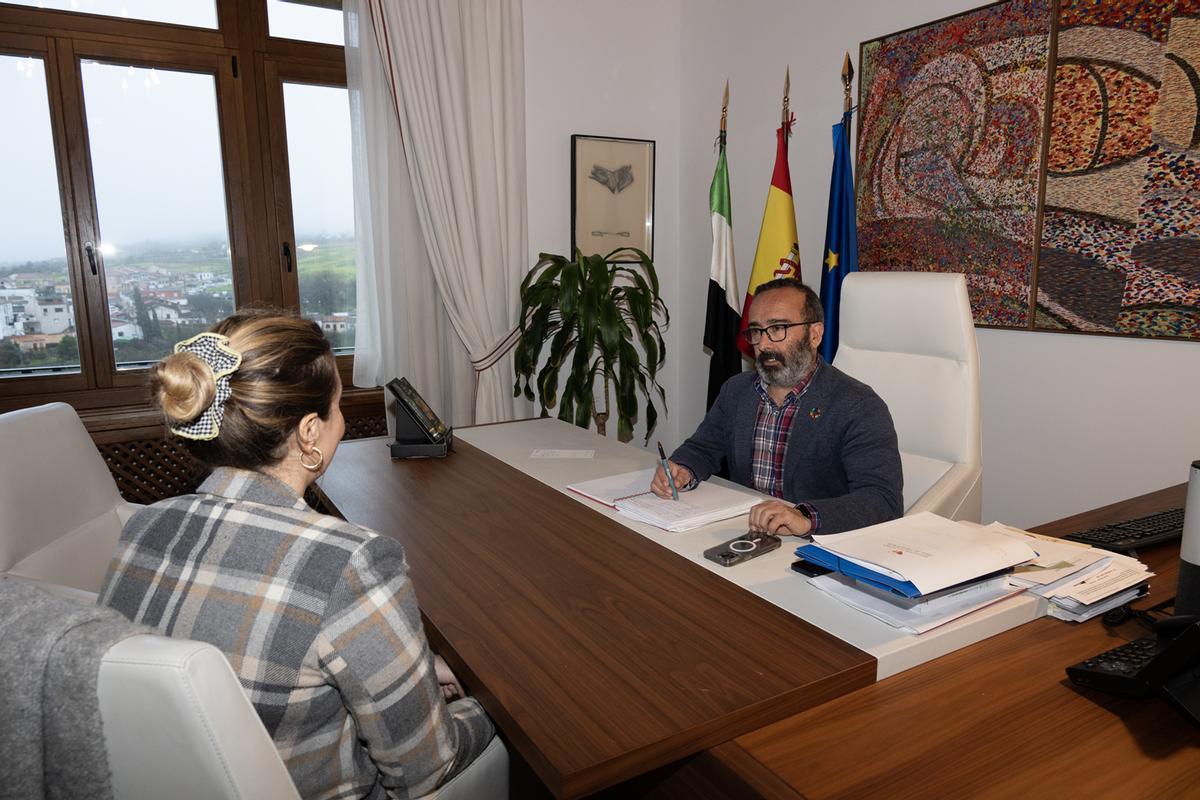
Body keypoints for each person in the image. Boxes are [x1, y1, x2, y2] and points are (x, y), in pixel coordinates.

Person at [99, 310, 494, 800]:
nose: (342, 419)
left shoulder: (143, 526)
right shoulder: (351, 562)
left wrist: (410, 671)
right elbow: (425, 768)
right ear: (310, 432)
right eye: (338, 404)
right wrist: (495, 703)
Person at [651, 278, 902, 535]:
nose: (764, 344)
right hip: (743, 531)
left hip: (818, 545)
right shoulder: (737, 391)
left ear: (814, 334)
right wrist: (682, 469)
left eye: (778, 328)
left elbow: (883, 500)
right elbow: (703, 448)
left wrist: (805, 516)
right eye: (756, 331)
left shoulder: (858, 405)